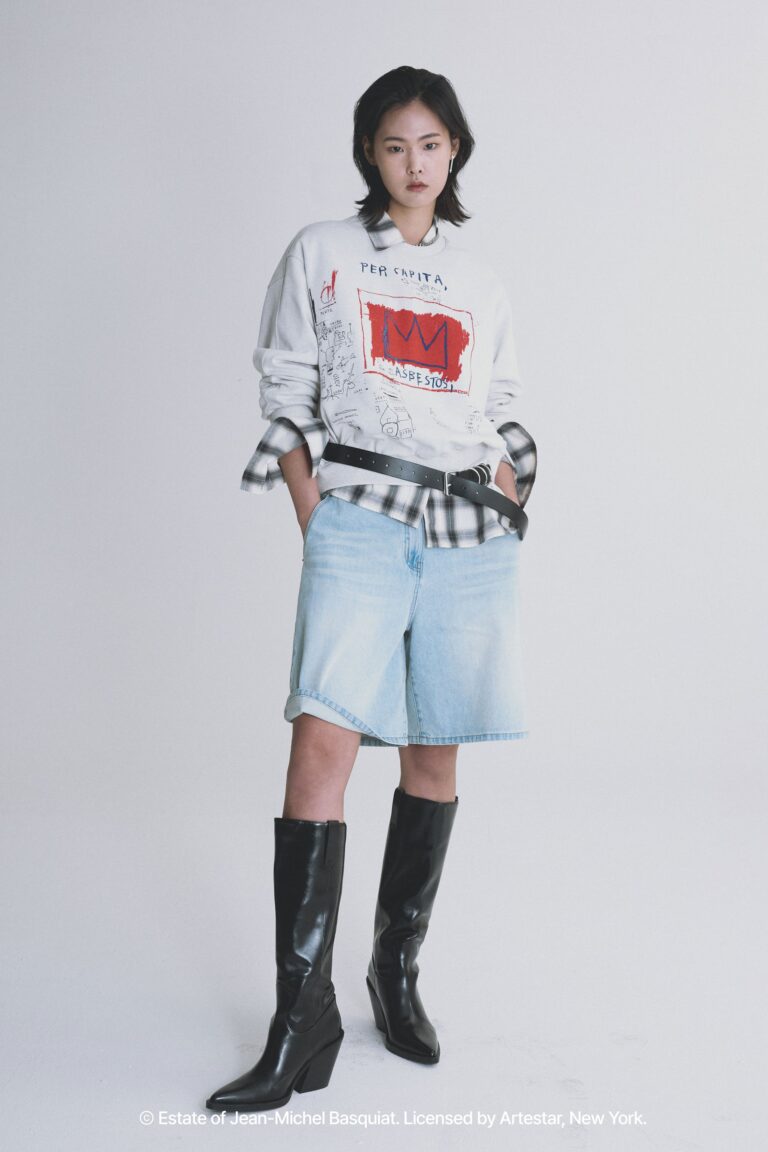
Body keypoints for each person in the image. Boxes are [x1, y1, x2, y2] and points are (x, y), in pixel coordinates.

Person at [206, 65, 538, 1114]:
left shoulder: (478, 281)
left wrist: (511, 491)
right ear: (369, 153)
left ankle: (395, 973)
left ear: (454, 152)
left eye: (431, 144)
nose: (414, 163)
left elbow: (501, 404)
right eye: (395, 145)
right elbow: (286, 391)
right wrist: (319, 515)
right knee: (323, 739)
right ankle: (300, 1016)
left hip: (464, 526)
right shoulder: (323, 253)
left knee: (434, 748)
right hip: (360, 514)